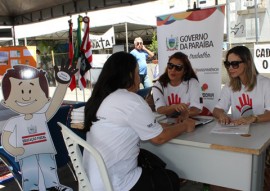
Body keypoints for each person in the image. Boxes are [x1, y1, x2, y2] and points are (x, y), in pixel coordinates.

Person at [82, 51, 196, 191]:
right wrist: (185, 126)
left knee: (152, 163)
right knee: (170, 178)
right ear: (129, 75)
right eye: (137, 72)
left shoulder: (100, 99)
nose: (139, 77)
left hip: (93, 180)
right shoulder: (130, 99)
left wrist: (164, 125)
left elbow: (127, 124)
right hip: (117, 182)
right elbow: (159, 138)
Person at [1, 63, 77, 191]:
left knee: (49, 170)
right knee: (30, 176)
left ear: (46, 98)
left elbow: (55, 103)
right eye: (20, 93)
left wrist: (62, 85)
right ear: (5, 102)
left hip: (45, 151)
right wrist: (13, 150)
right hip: (26, 154)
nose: (26, 96)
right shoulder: (14, 122)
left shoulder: (42, 117)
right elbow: (6, 139)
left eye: (31, 91)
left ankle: (53, 185)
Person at [212, 46, 270, 191]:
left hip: (264, 139)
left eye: (235, 64)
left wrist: (254, 118)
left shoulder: (265, 83)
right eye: (227, 64)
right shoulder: (230, 86)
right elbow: (217, 109)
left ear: (248, 63)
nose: (230, 68)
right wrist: (222, 115)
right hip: (240, 136)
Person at [153, 51, 203, 121]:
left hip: (187, 122)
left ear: (185, 71)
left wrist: (185, 114)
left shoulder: (192, 83)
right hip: (166, 123)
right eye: (170, 66)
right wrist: (174, 107)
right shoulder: (158, 85)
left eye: (178, 67)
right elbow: (160, 109)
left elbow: (196, 108)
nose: (173, 70)